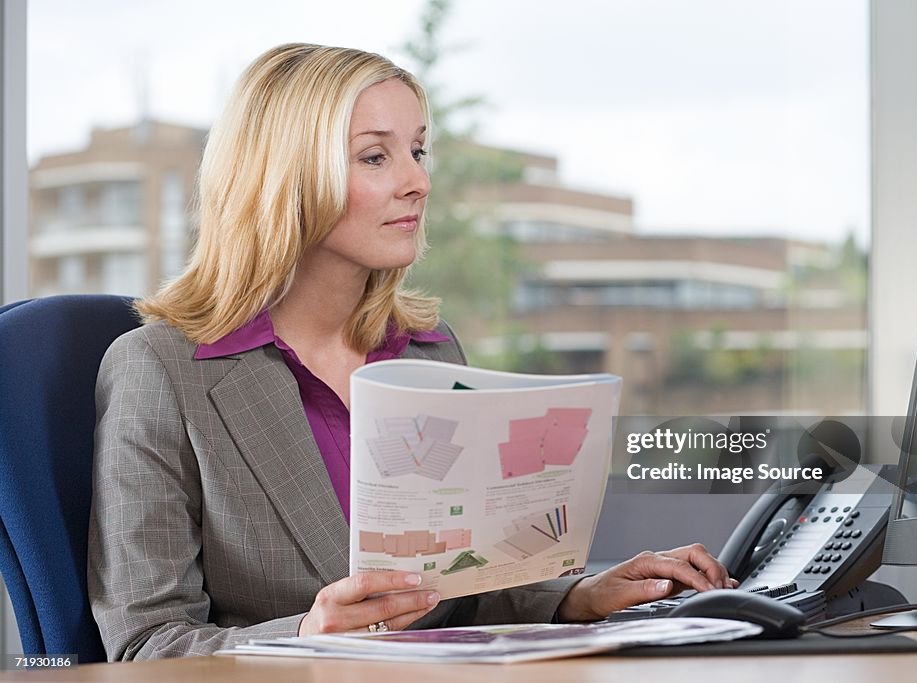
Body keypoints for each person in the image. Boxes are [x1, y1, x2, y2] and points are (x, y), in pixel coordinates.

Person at [87, 43, 736, 661]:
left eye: (419, 151)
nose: (417, 182)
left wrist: (577, 594)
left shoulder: (426, 352)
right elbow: (149, 641)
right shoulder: (160, 372)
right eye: (376, 157)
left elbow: (457, 591)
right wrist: (310, 634)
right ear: (284, 176)